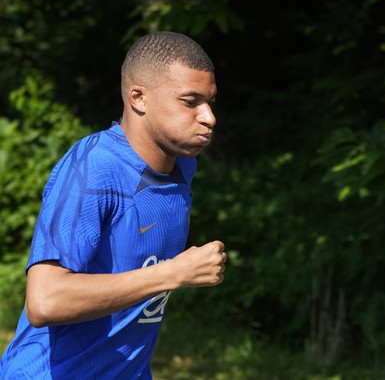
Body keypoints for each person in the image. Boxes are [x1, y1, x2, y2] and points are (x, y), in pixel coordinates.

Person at [0, 31, 227, 378]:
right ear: (138, 97)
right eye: (190, 101)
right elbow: (45, 300)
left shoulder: (183, 166)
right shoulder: (94, 169)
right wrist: (172, 274)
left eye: (210, 101)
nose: (209, 117)